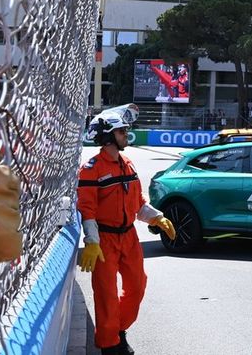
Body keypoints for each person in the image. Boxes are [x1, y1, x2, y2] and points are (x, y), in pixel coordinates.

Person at [78, 108, 177, 355]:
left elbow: (137, 203)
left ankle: (118, 329)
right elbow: (87, 209)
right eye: (122, 131)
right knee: (106, 294)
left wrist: (157, 218)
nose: (127, 135)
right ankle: (110, 345)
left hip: (129, 236)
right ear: (109, 137)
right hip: (104, 239)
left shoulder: (128, 164)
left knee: (137, 286)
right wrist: (92, 241)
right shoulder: (91, 168)